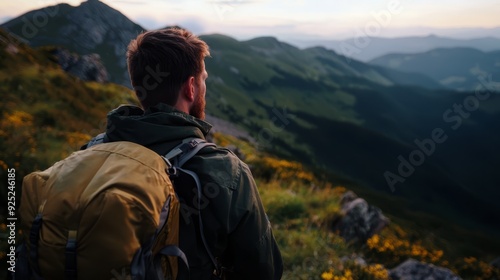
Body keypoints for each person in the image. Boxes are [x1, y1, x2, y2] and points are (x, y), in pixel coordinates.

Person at [83, 27, 283, 279]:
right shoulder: (227, 171)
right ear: (191, 87)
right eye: (204, 79)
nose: (204, 86)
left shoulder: (91, 151)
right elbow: (265, 271)